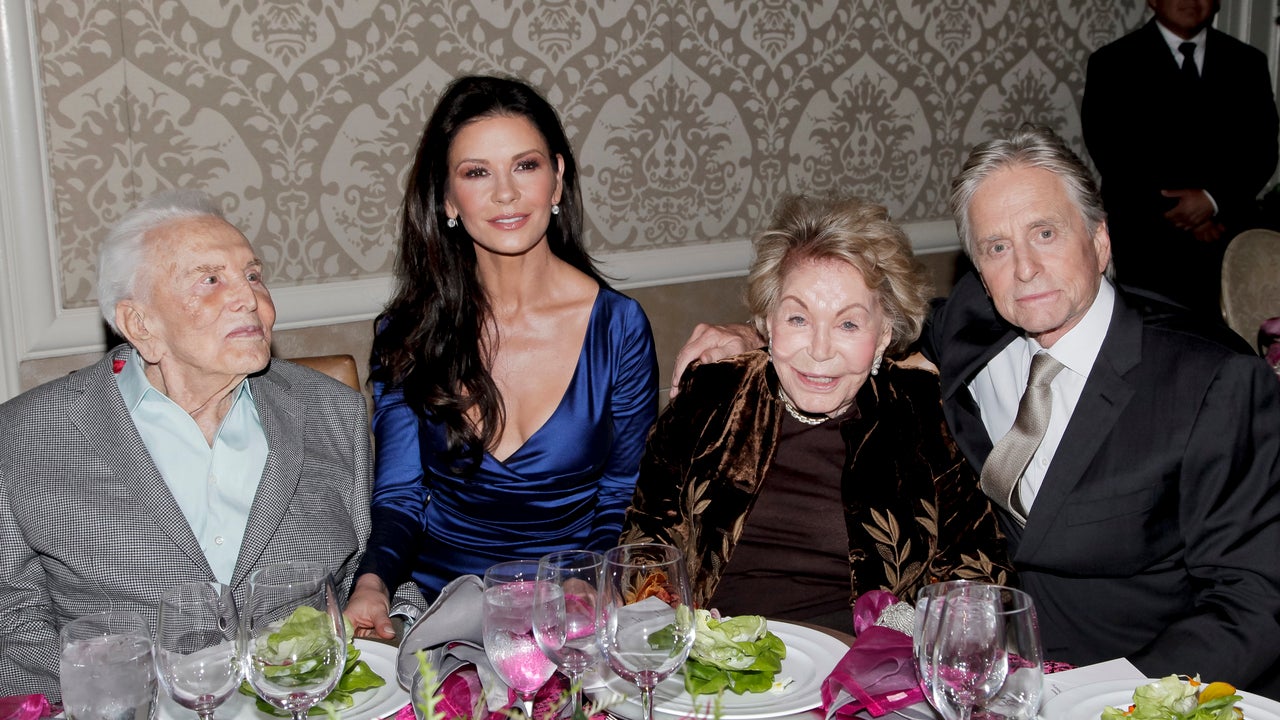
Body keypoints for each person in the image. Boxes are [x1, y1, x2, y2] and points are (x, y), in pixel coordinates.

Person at [671, 127, 1280, 695]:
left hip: (1126, 686)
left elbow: (1251, 604)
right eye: (996, 246)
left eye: (1046, 233)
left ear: (1099, 240)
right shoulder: (968, 327)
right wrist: (752, 336)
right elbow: (856, 321)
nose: (1024, 267)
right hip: (966, 679)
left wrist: (1115, 699)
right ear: (979, 270)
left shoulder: (1211, 384)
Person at [0, 189, 372, 698]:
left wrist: (385, 621)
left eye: (254, 276)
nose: (251, 298)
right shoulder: (26, 433)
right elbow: (10, 614)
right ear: (140, 323)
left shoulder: (333, 412)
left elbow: (373, 569)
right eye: (211, 279)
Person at [345, 75, 658, 639]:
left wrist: (590, 577)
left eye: (526, 166)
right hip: (442, 615)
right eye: (477, 173)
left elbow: (621, 492)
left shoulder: (619, 327)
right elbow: (400, 495)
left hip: (570, 617)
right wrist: (373, 580)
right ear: (446, 197)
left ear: (558, 179)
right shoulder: (406, 333)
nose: (506, 193)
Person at [620, 195, 1009, 632]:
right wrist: (661, 614)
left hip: (857, 675)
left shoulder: (920, 410)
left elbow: (976, 570)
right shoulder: (712, 392)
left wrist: (903, 633)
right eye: (798, 319)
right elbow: (648, 534)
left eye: (848, 324)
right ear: (768, 320)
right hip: (716, 667)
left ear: (883, 333)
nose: (819, 351)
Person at [1081, 0, 1279, 315]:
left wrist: (1213, 201)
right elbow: (1113, 152)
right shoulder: (1113, 62)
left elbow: (1261, 149)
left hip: (1226, 235)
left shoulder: (1247, 62)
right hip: (1149, 238)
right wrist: (1183, 211)